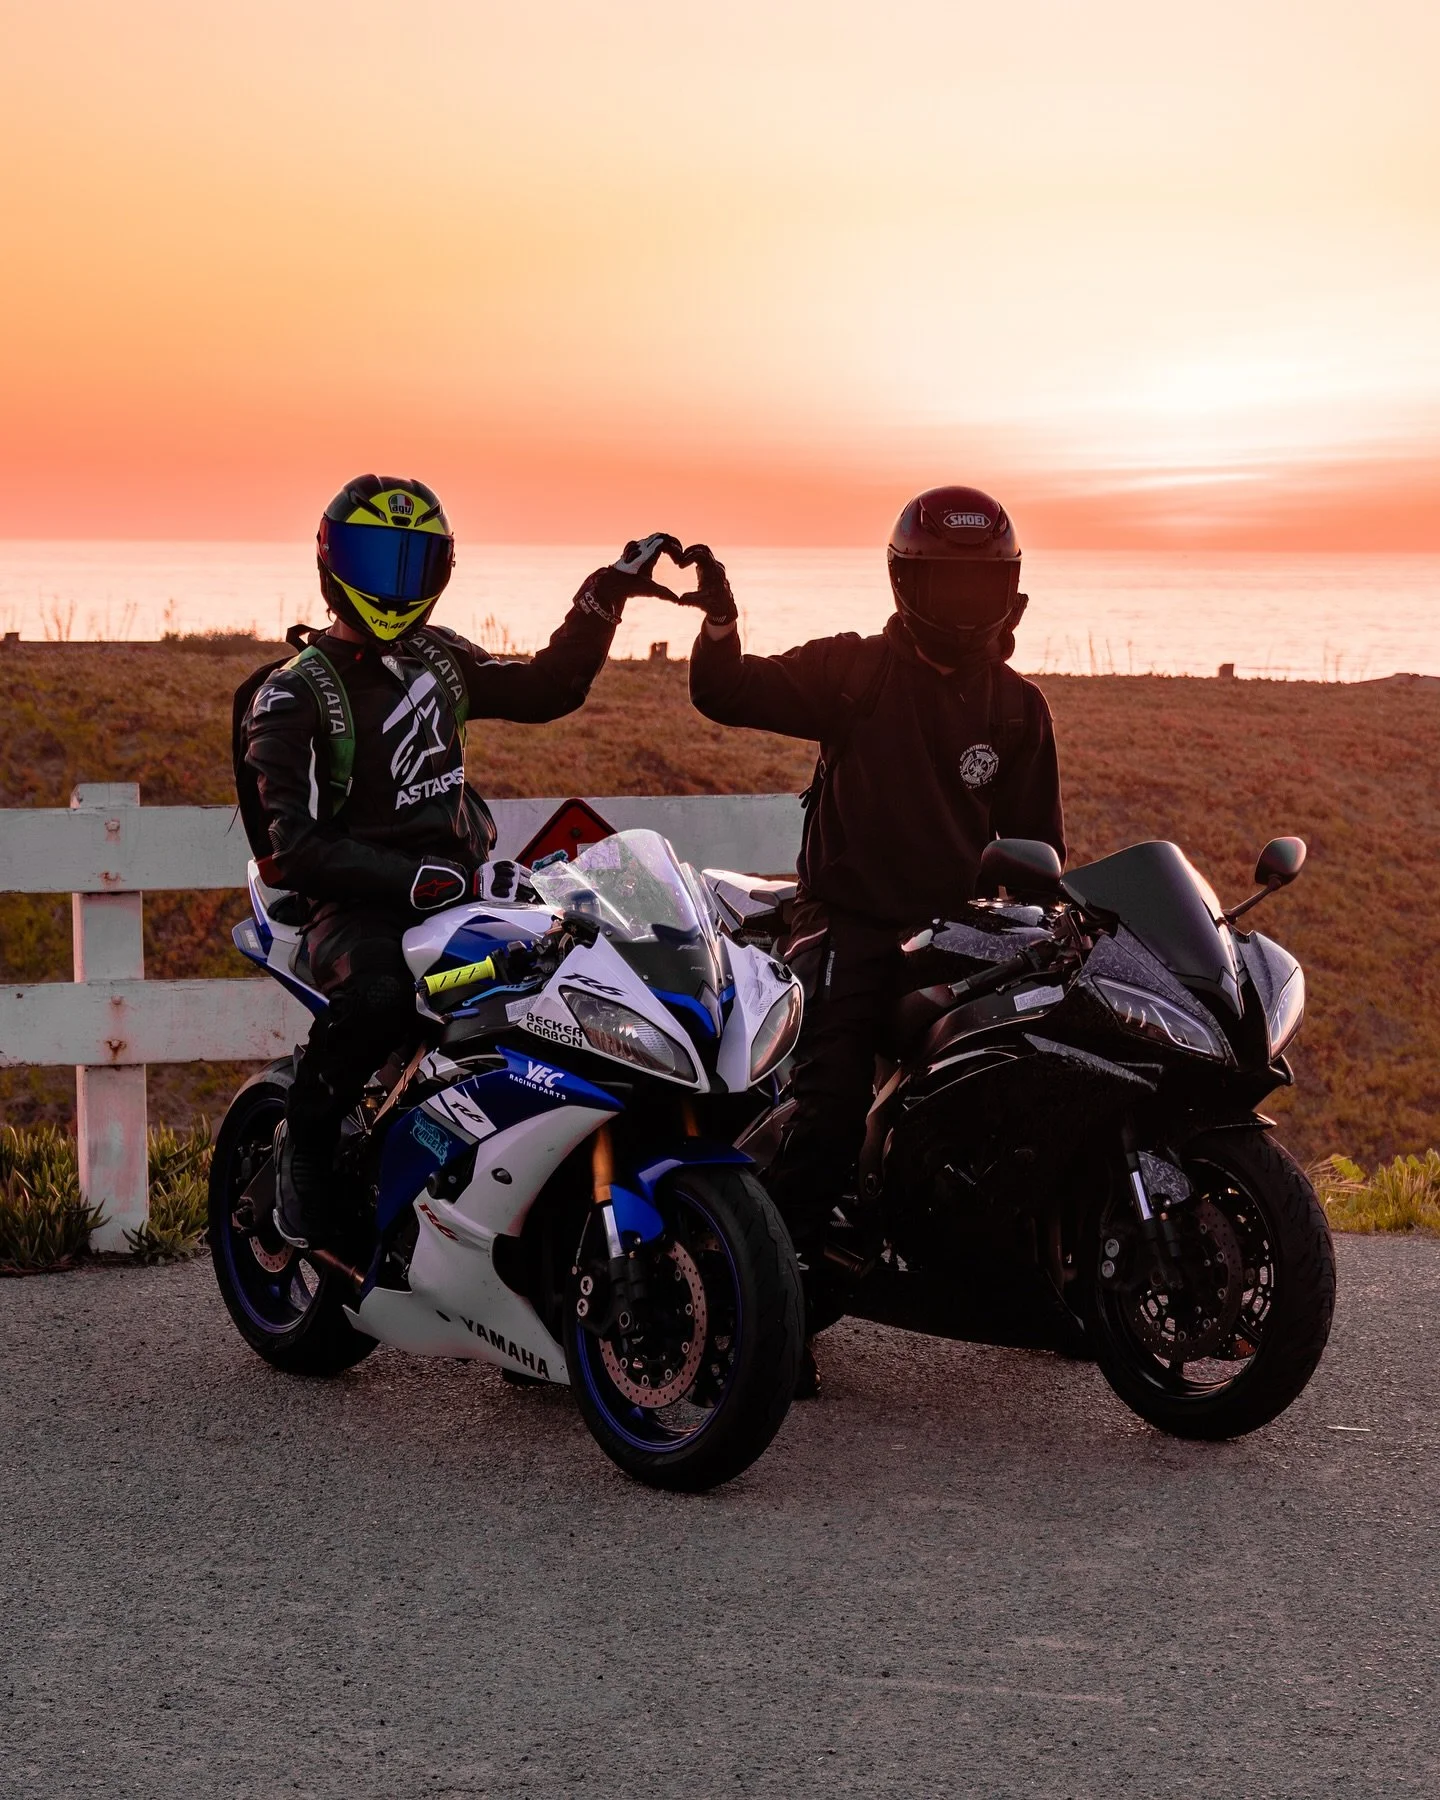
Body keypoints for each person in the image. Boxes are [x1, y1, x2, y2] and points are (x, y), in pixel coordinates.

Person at [677, 487, 1066, 1393]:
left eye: (980, 584)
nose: (964, 602)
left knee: (1036, 1075)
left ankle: (1048, 1275)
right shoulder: (853, 671)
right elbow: (725, 691)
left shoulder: (1018, 708)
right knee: (830, 1106)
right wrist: (721, 623)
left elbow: (1041, 854)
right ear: (905, 583)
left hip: (965, 933)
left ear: (1008, 588)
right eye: (946, 583)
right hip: (848, 921)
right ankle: (764, 1313)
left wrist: (1044, 927)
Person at [237, 473, 680, 1247]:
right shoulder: (292, 694)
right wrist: (410, 879)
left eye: (412, 563)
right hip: (354, 901)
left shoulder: (438, 658)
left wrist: (605, 593)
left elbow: (548, 687)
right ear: (333, 565)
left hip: (464, 887)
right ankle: (304, 1145)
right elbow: (297, 848)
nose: (393, 584)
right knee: (381, 998)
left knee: (570, 977)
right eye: (377, 562)